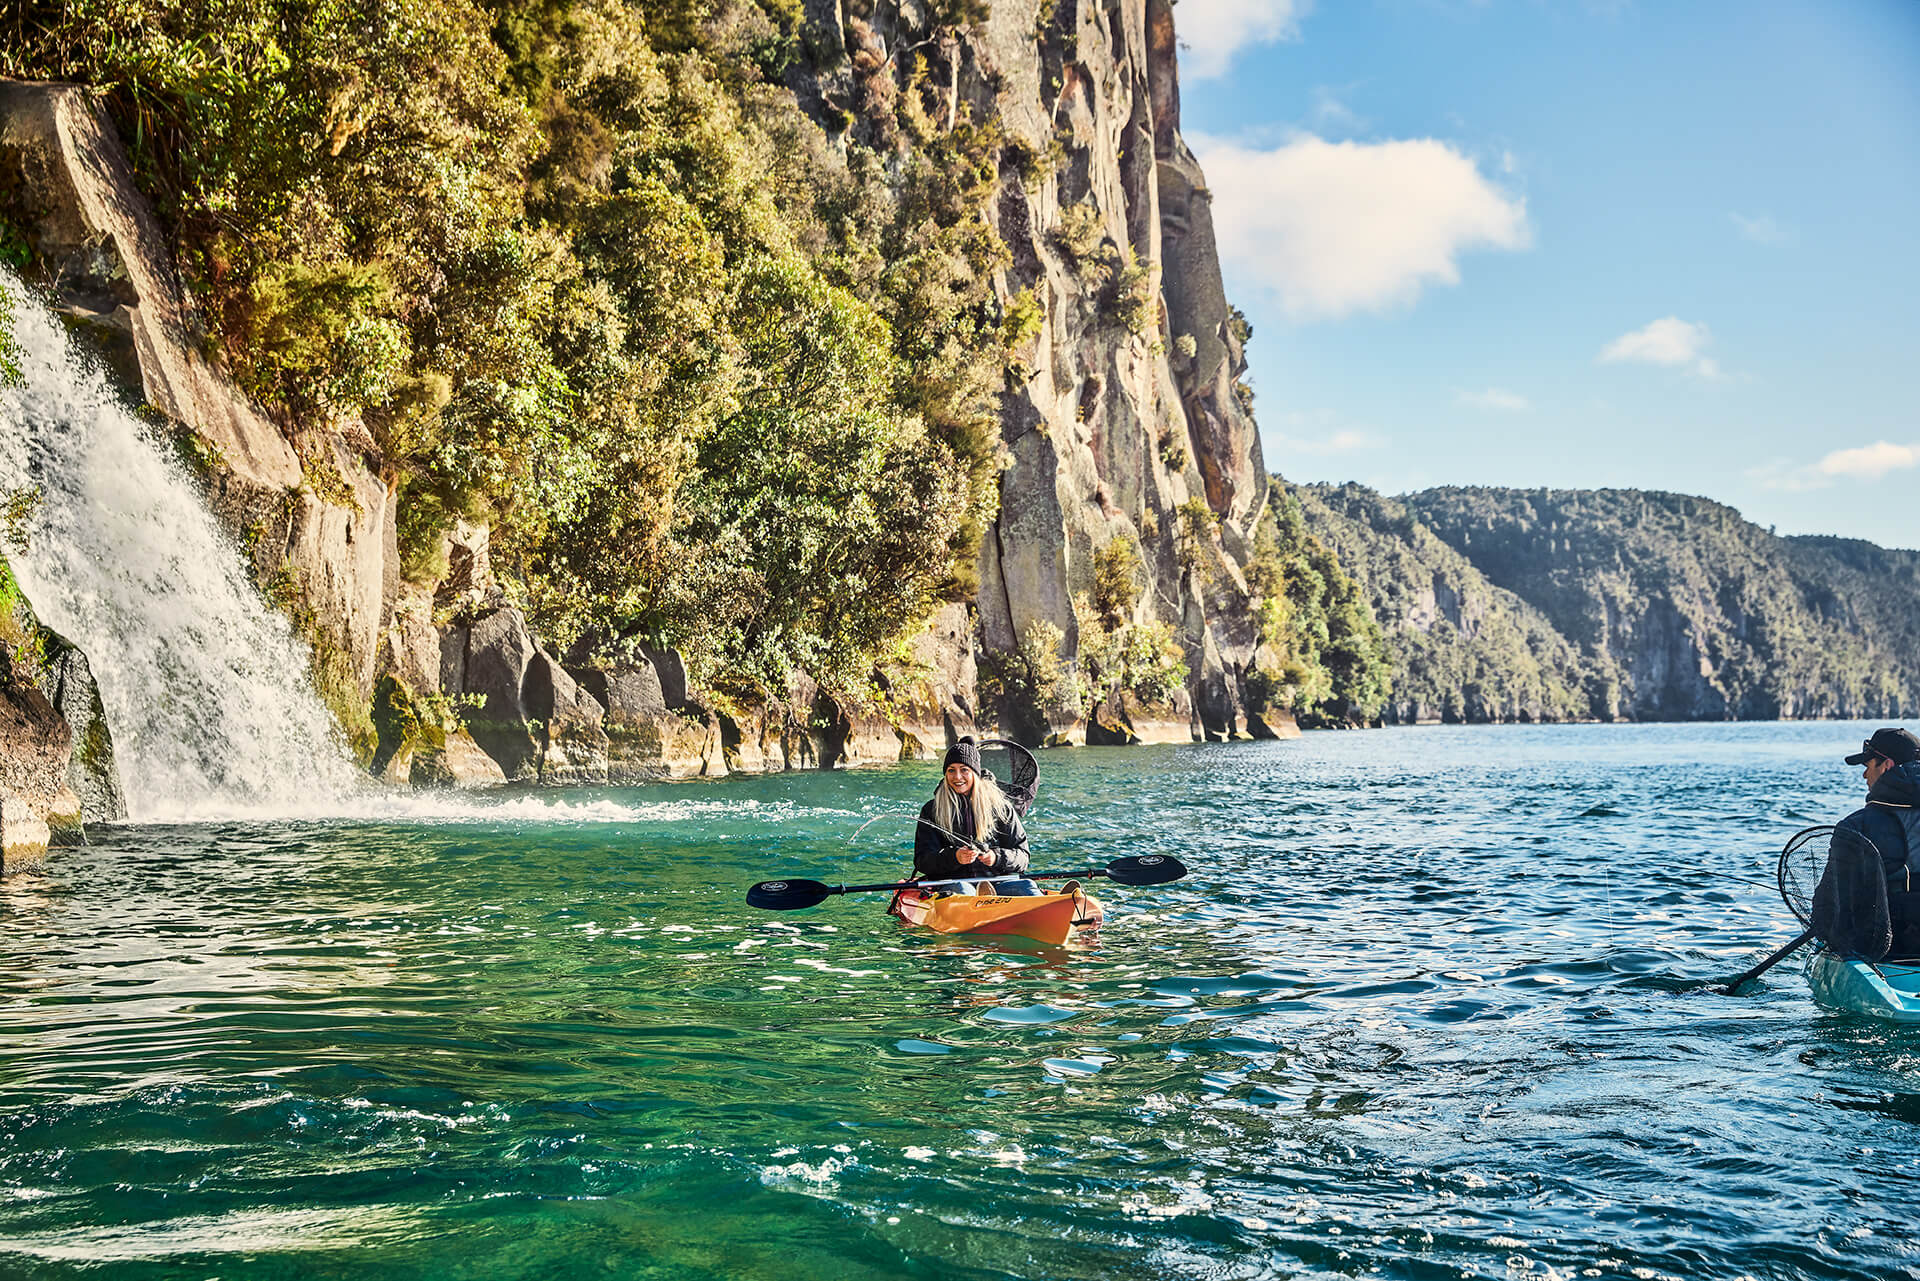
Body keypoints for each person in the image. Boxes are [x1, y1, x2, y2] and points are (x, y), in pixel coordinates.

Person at [1823, 727, 1920, 958]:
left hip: (1890, 955)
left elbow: (1829, 909)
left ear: (1886, 766)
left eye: (1868, 767)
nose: (1865, 776)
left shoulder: (1856, 828)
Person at [913, 737, 1038, 895]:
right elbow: (922, 861)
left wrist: (996, 857)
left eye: (964, 769)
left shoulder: (1001, 808)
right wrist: (955, 857)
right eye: (951, 770)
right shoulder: (931, 810)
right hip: (953, 887)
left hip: (996, 884)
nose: (957, 777)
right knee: (963, 890)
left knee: (1027, 886)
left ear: (975, 773)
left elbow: (1023, 857)